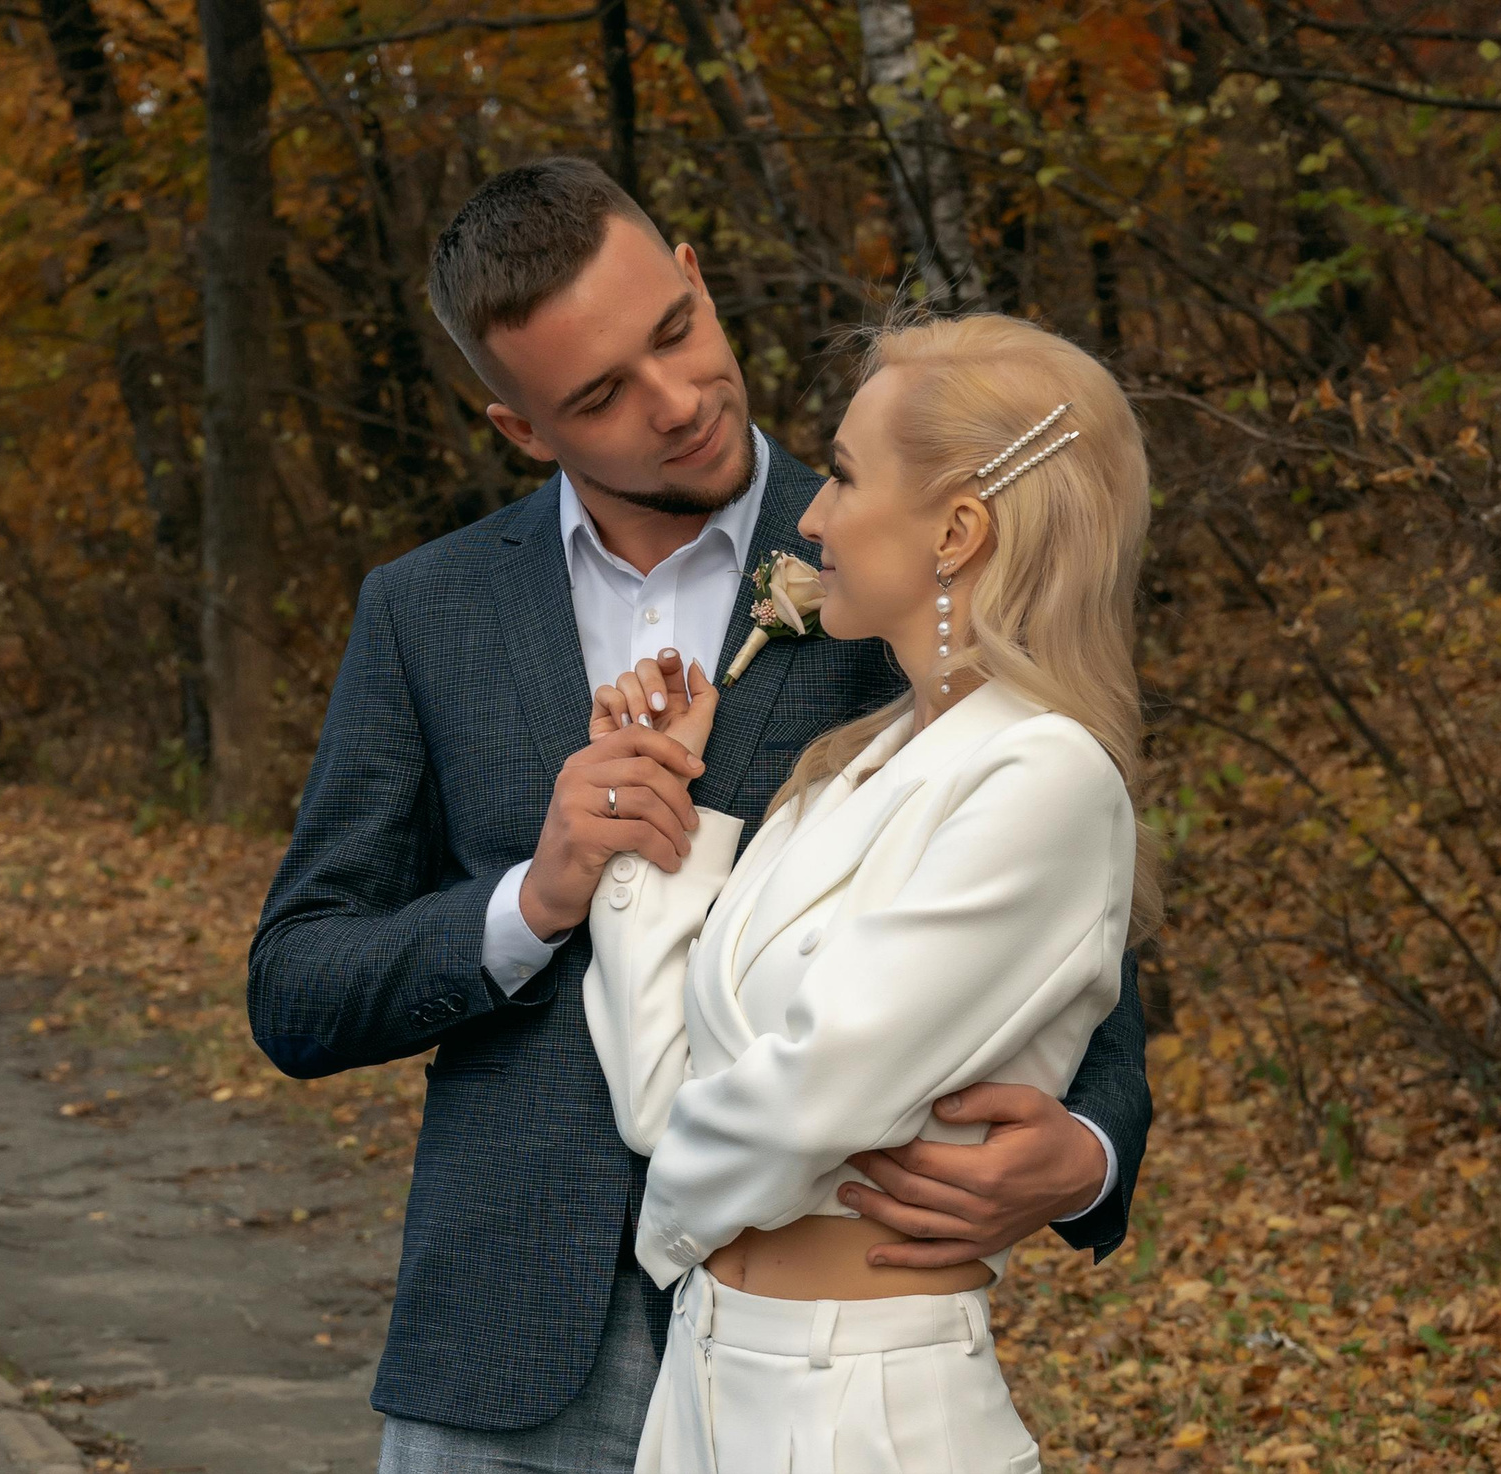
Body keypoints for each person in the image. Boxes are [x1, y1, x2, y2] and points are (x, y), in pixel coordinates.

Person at [246, 158, 1153, 1470]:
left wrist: (1086, 1150)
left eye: (676, 333)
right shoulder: (427, 611)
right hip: (505, 1357)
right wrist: (534, 899)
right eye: (602, 395)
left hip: (829, 1357)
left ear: (696, 276)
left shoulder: (898, 543)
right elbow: (298, 980)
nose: (676, 403)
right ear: (523, 429)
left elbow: (1080, 934)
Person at [581, 312, 1157, 1470]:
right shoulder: (846, 768)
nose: (808, 515)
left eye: (842, 474)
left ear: (957, 529)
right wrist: (664, 821)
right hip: (699, 1391)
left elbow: (812, 1100)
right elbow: (658, 1098)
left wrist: (668, 1221)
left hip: (867, 1411)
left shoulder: (1044, 777)